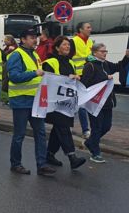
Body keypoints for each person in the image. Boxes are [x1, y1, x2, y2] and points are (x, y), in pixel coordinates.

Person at [7, 28, 55, 176]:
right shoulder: (16, 55)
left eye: (36, 37)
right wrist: (34, 73)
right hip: (21, 100)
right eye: (31, 37)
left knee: (40, 133)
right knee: (19, 134)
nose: (35, 40)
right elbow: (14, 77)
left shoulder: (34, 54)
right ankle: (16, 164)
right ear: (23, 40)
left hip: (35, 101)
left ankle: (41, 165)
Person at [81, 43, 129, 163]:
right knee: (96, 128)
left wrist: (126, 57)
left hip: (107, 101)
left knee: (106, 126)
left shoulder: (106, 64)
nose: (105, 53)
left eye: (105, 51)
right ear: (95, 53)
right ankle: (95, 153)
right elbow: (85, 84)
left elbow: (119, 66)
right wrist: (104, 78)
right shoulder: (90, 66)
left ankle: (90, 142)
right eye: (102, 51)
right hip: (95, 102)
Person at [42, 36, 87, 170]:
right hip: (54, 103)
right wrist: (68, 78)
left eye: (68, 45)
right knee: (63, 128)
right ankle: (72, 157)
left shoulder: (71, 62)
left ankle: (49, 154)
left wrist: (77, 78)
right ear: (57, 48)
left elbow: (71, 82)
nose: (67, 47)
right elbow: (48, 80)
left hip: (66, 103)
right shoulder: (50, 62)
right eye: (64, 45)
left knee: (58, 129)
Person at [72, 22, 94, 138]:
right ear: (81, 30)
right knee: (81, 104)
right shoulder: (74, 41)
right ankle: (85, 130)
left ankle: (83, 129)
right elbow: (69, 58)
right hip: (77, 77)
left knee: (81, 103)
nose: (91, 29)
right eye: (88, 27)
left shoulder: (90, 42)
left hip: (88, 76)